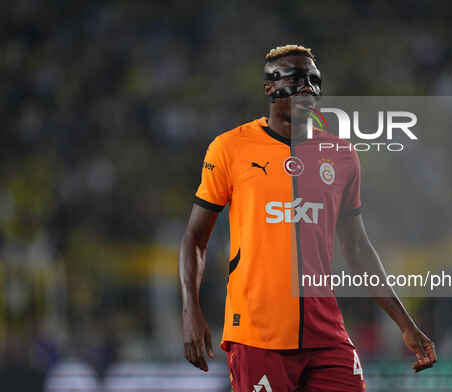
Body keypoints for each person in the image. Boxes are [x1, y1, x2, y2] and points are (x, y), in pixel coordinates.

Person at [179, 44, 436, 392]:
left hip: (326, 334)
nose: (308, 89)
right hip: (258, 334)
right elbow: (196, 237)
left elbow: (358, 248)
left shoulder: (341, 156)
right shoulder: (230, 149)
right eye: (297, 79)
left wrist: (405, 323)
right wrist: (191, 311)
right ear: (270, 86)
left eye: (314, 81)